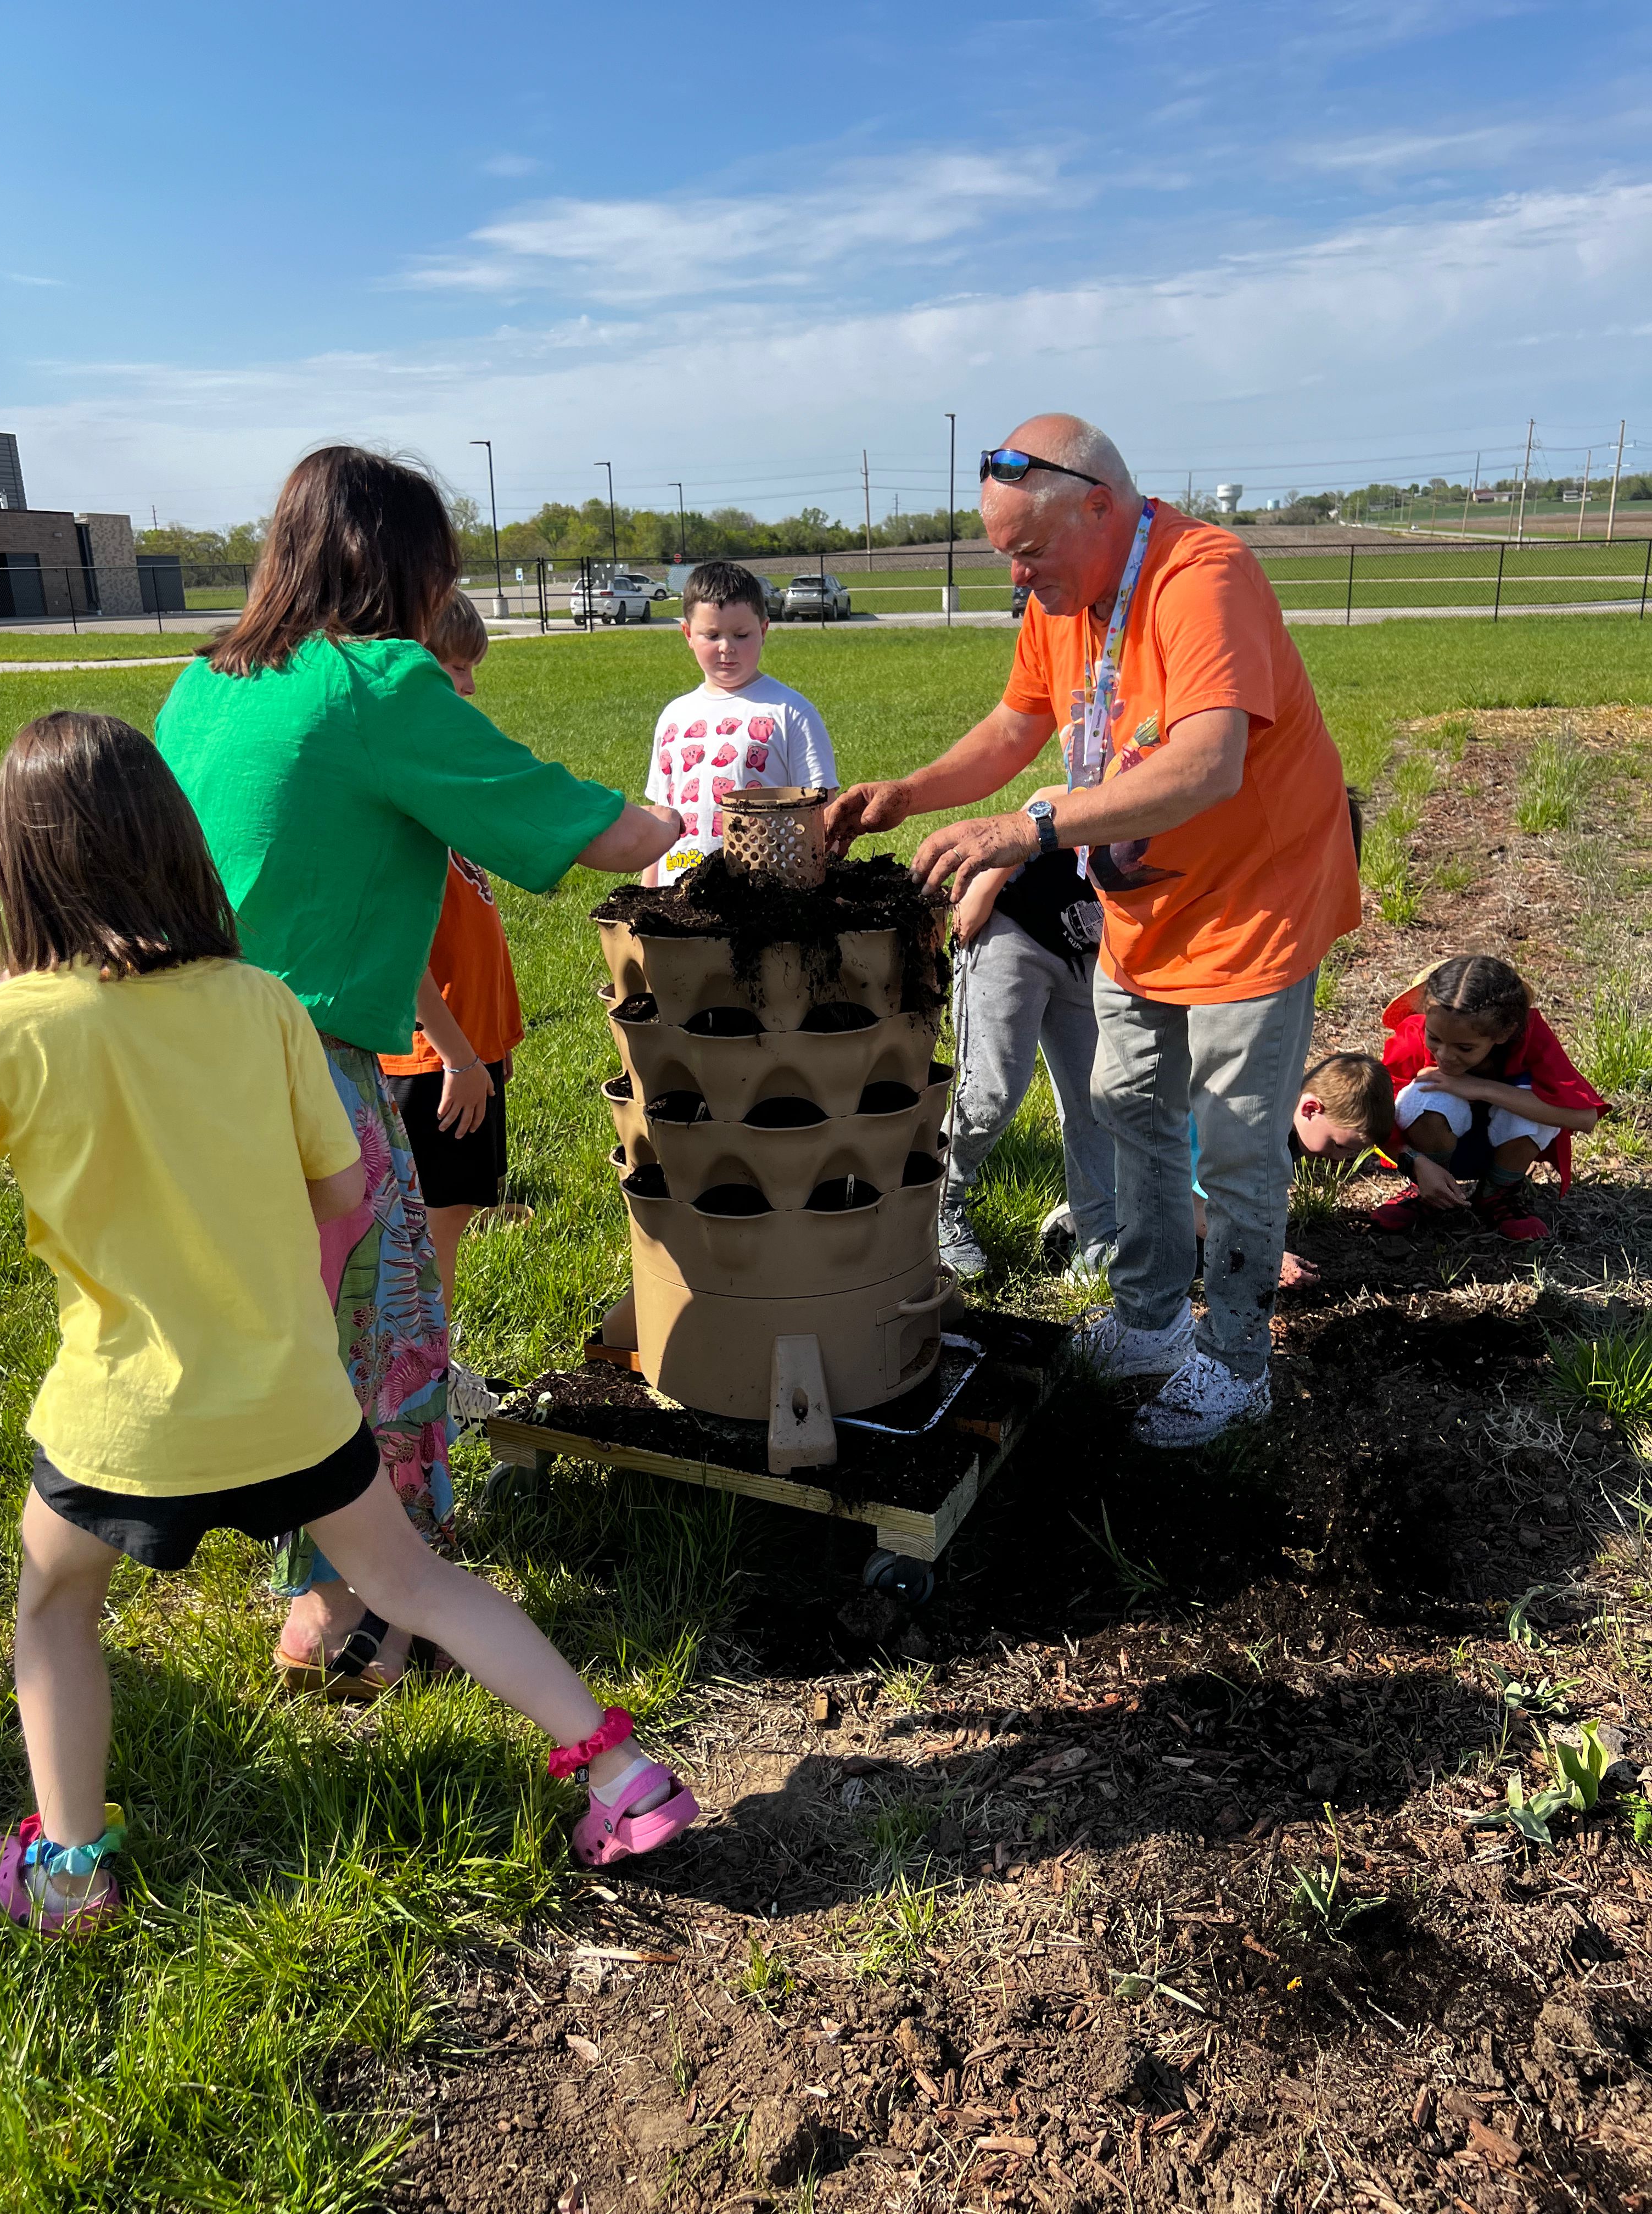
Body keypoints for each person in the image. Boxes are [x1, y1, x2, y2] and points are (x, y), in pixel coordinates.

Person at [0, 714, 696, 1932]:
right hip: (293, 1398)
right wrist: (298, 1308)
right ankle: (621, 1774)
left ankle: (66, 1873)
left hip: (119, 1421)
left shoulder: (14, 1029)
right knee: (413, 1579)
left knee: (57, 1609)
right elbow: (345, 1194)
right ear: (175, 843)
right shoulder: (264, 1003)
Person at [156, 446, 681, 1695]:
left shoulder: (209, 682)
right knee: (381, 1340)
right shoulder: (376, 680)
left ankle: (314, 1582)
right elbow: (575, 821)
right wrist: (683, 823)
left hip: (185, 1065)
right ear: (398, 563)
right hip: (309, 1075)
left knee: (289, 1332)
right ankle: (351, 1626)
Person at [827, 414, 1362, 1447]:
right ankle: (1153, 1317)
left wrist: (1030, 825)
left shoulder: (1200, 576)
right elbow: (1017, 725)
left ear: (1101, 508)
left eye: (1028, 551)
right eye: (1003, 558)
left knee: (1241, 1148)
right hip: (1144, 905)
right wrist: (905, 793)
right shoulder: (1062, 596)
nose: (1018, 579)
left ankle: (1236, 1360)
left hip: (1251, 902)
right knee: (1131, 1108)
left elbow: (1207, 763)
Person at [377, 592, 523, 1346]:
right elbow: (394, 950)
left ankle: (431, 1362)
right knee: (430, 1226)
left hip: (466, 1052)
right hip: (438, 1060)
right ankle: (424, 1373)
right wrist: (462, 1056)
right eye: (452, 665)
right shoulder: (398, 792)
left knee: (454, 1215)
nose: (467, 685)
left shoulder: (434, 781)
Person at [939, 842, 1116, 1285]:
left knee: (1097, 1100)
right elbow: (1047, 806)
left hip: (1090, 955)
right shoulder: (1151, 780)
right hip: (1013, 929)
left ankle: (1099, 1236)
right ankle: (940, 1204)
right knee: (993, 1091)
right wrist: (985, 887)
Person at [1370, 955, 1606, 1243]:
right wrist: (1415, 1163)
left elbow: (1583, 1117)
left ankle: (1497, 1192)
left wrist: (1479, 1088)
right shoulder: (1413, 1036)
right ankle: (1429, 1191)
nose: (1444, 1055)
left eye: (1465, 1048)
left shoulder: (1530, 1036)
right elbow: (1374, 1116)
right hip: (1430, 1154)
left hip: (1501, 1150)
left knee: (1536, 1100)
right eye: (1434, 1039)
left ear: (1504, 1033)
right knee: (1424, 1091)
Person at [644, 560, 835, 887]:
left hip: (765, 892)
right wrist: (649, 889)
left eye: (741, 635)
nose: (726, 647)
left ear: (763, 630)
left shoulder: (790, 712)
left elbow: (825, 814)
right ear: (688, 634)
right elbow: (661, 816)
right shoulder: (674, 716)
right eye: (712, 634)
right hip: (677, 892)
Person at [1191, 1051, 1396, 1287]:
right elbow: (1193, 1206)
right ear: (1311, 1109)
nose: (1340, 1159)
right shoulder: (1256, 1138)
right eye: (1339, 1145)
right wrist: (1265, 1258)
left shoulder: (1293, 1121)